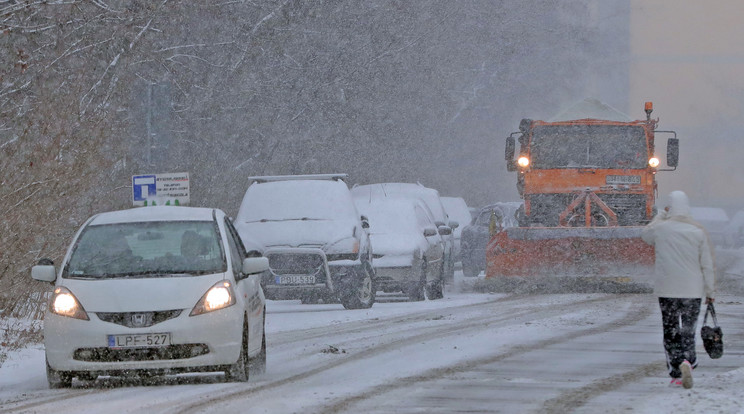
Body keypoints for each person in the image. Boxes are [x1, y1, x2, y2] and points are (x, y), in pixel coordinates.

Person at [641, 190, 715, 389]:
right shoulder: (697, 232)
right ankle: (688, 361)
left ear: (670, 208)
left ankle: (675, 370)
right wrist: (710, 292)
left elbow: (645, 235)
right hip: (692, 290)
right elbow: (706, 264)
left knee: (671, 330)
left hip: (668, 289)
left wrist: (661, 215)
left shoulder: (662, 229)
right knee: (688, 330)